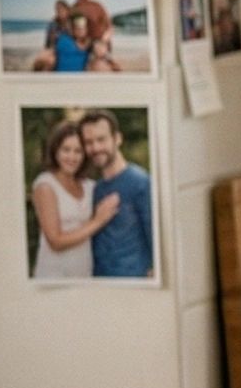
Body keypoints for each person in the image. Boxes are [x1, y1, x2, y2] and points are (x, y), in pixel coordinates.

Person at [29, 118, 118, 280]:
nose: (72, 157)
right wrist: (97, 222)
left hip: (85, 275)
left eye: (78, 151)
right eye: (66, 150)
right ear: (55, 150)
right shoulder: (46, 185)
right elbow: (55, 242)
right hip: (53, 277)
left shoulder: (89, 186)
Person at [80, 111, 152, 280]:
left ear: (117, 139)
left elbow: (156, 238)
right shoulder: (96, 189)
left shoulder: (141, 182)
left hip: (133, 282)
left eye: (101, 139)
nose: (96, 148)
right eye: (89, 142)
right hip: (99, 284)